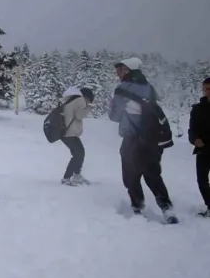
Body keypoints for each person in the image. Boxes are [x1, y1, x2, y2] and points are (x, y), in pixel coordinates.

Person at [109, 57, 177, 223]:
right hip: (153, 138)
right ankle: (167, 208)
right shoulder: (149, 87)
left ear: (129, 70)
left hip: (132, 138)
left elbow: (114, 116)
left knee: (131, 174)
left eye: (121, 69)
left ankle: (137, 206)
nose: (118, 73)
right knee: (153, 174)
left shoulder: (122, 89)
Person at [59, 86, 94, 186]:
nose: (87, 103)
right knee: (78, 154)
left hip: (65, 132)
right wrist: (88, 108)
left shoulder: (72, 98)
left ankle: (77, 175)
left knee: (79, 153)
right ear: (87, 97)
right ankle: (67, 177)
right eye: (89, 101)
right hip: (70, 133)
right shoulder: (80, 100)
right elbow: (79, 115)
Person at [189, 77, 210, 217]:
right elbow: (192, 129)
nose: (208, 91)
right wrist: (195, 139)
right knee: (202, 180)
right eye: (206, 88)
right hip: (204, 149)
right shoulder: (197, 109)